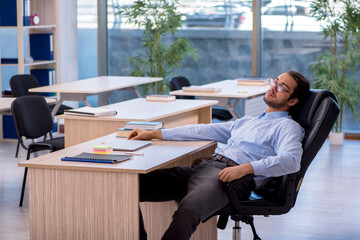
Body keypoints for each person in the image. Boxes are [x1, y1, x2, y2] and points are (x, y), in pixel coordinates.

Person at [128, 70, 310, 240]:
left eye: (281, 88)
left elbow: (291, 161)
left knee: (189, 210)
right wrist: (155, 133)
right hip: (205, 168)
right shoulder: (248, 121)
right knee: (131, 187)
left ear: (292, 101)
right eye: (275, 82)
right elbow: (204, 130)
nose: (273, 87)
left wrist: (245, 169)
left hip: (230, 177)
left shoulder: (288, 127)